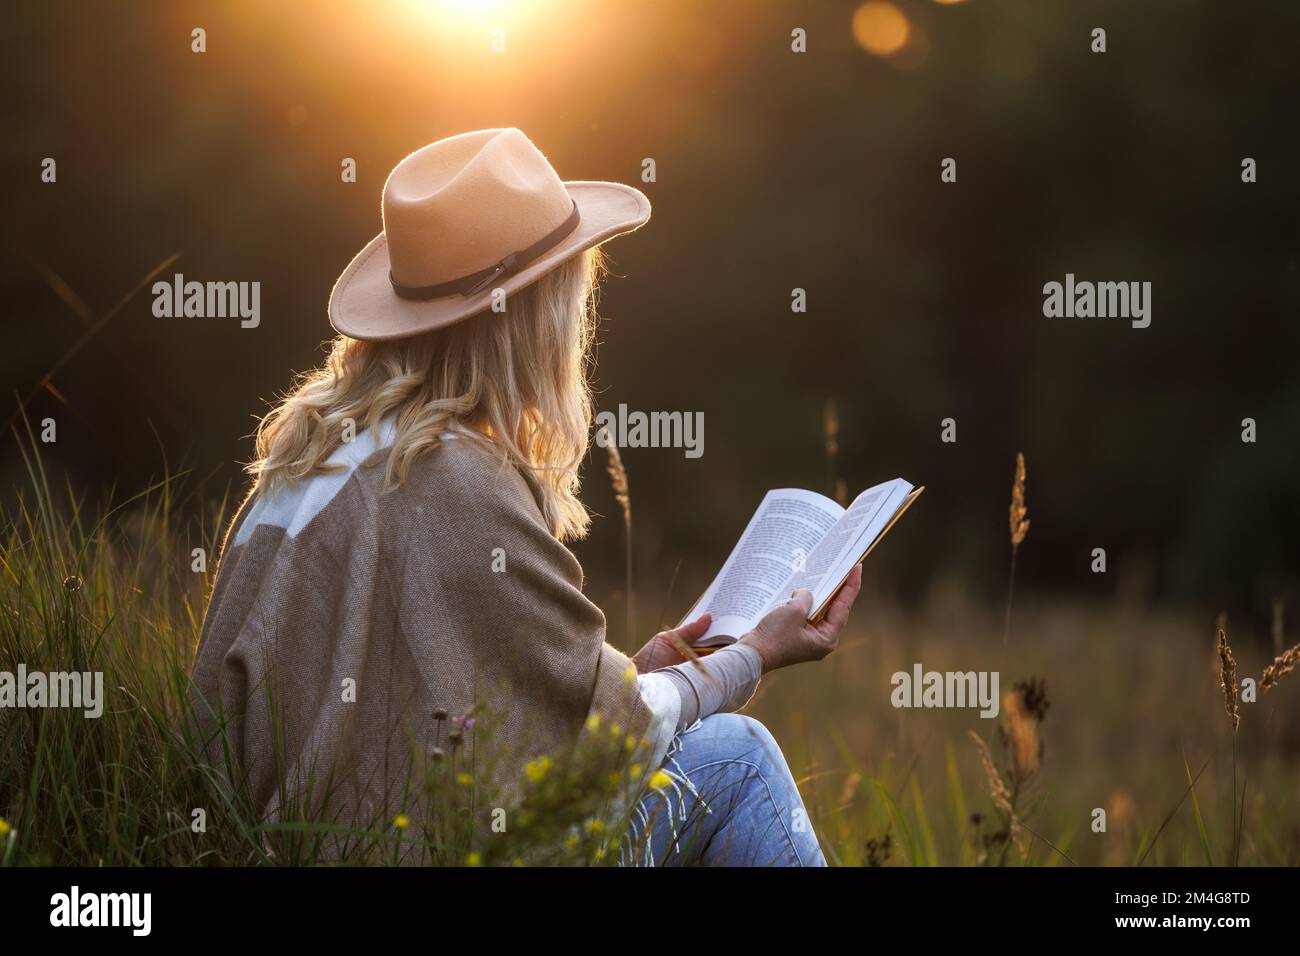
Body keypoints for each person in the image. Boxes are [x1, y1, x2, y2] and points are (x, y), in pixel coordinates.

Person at [189, 128, 863, 866]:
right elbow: (611, 732)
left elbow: (439, 713)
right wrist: (754, 656)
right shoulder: (450, 476)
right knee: (737, 760)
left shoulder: (300, 470)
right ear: (535, 317)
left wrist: (628, 673)